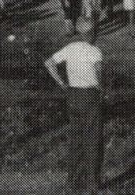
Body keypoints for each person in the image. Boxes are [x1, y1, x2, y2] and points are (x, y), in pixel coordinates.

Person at [44, 21, 105, 195]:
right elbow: (99, 73)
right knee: (93, 137)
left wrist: (62, 83)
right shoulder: (95, 51)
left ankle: (73, 181)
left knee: (76, 138)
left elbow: (49, 63)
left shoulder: (70, 48)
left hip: (72, 95)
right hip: (90, 95)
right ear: (91, 33)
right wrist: (101, 88)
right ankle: (92, 183)